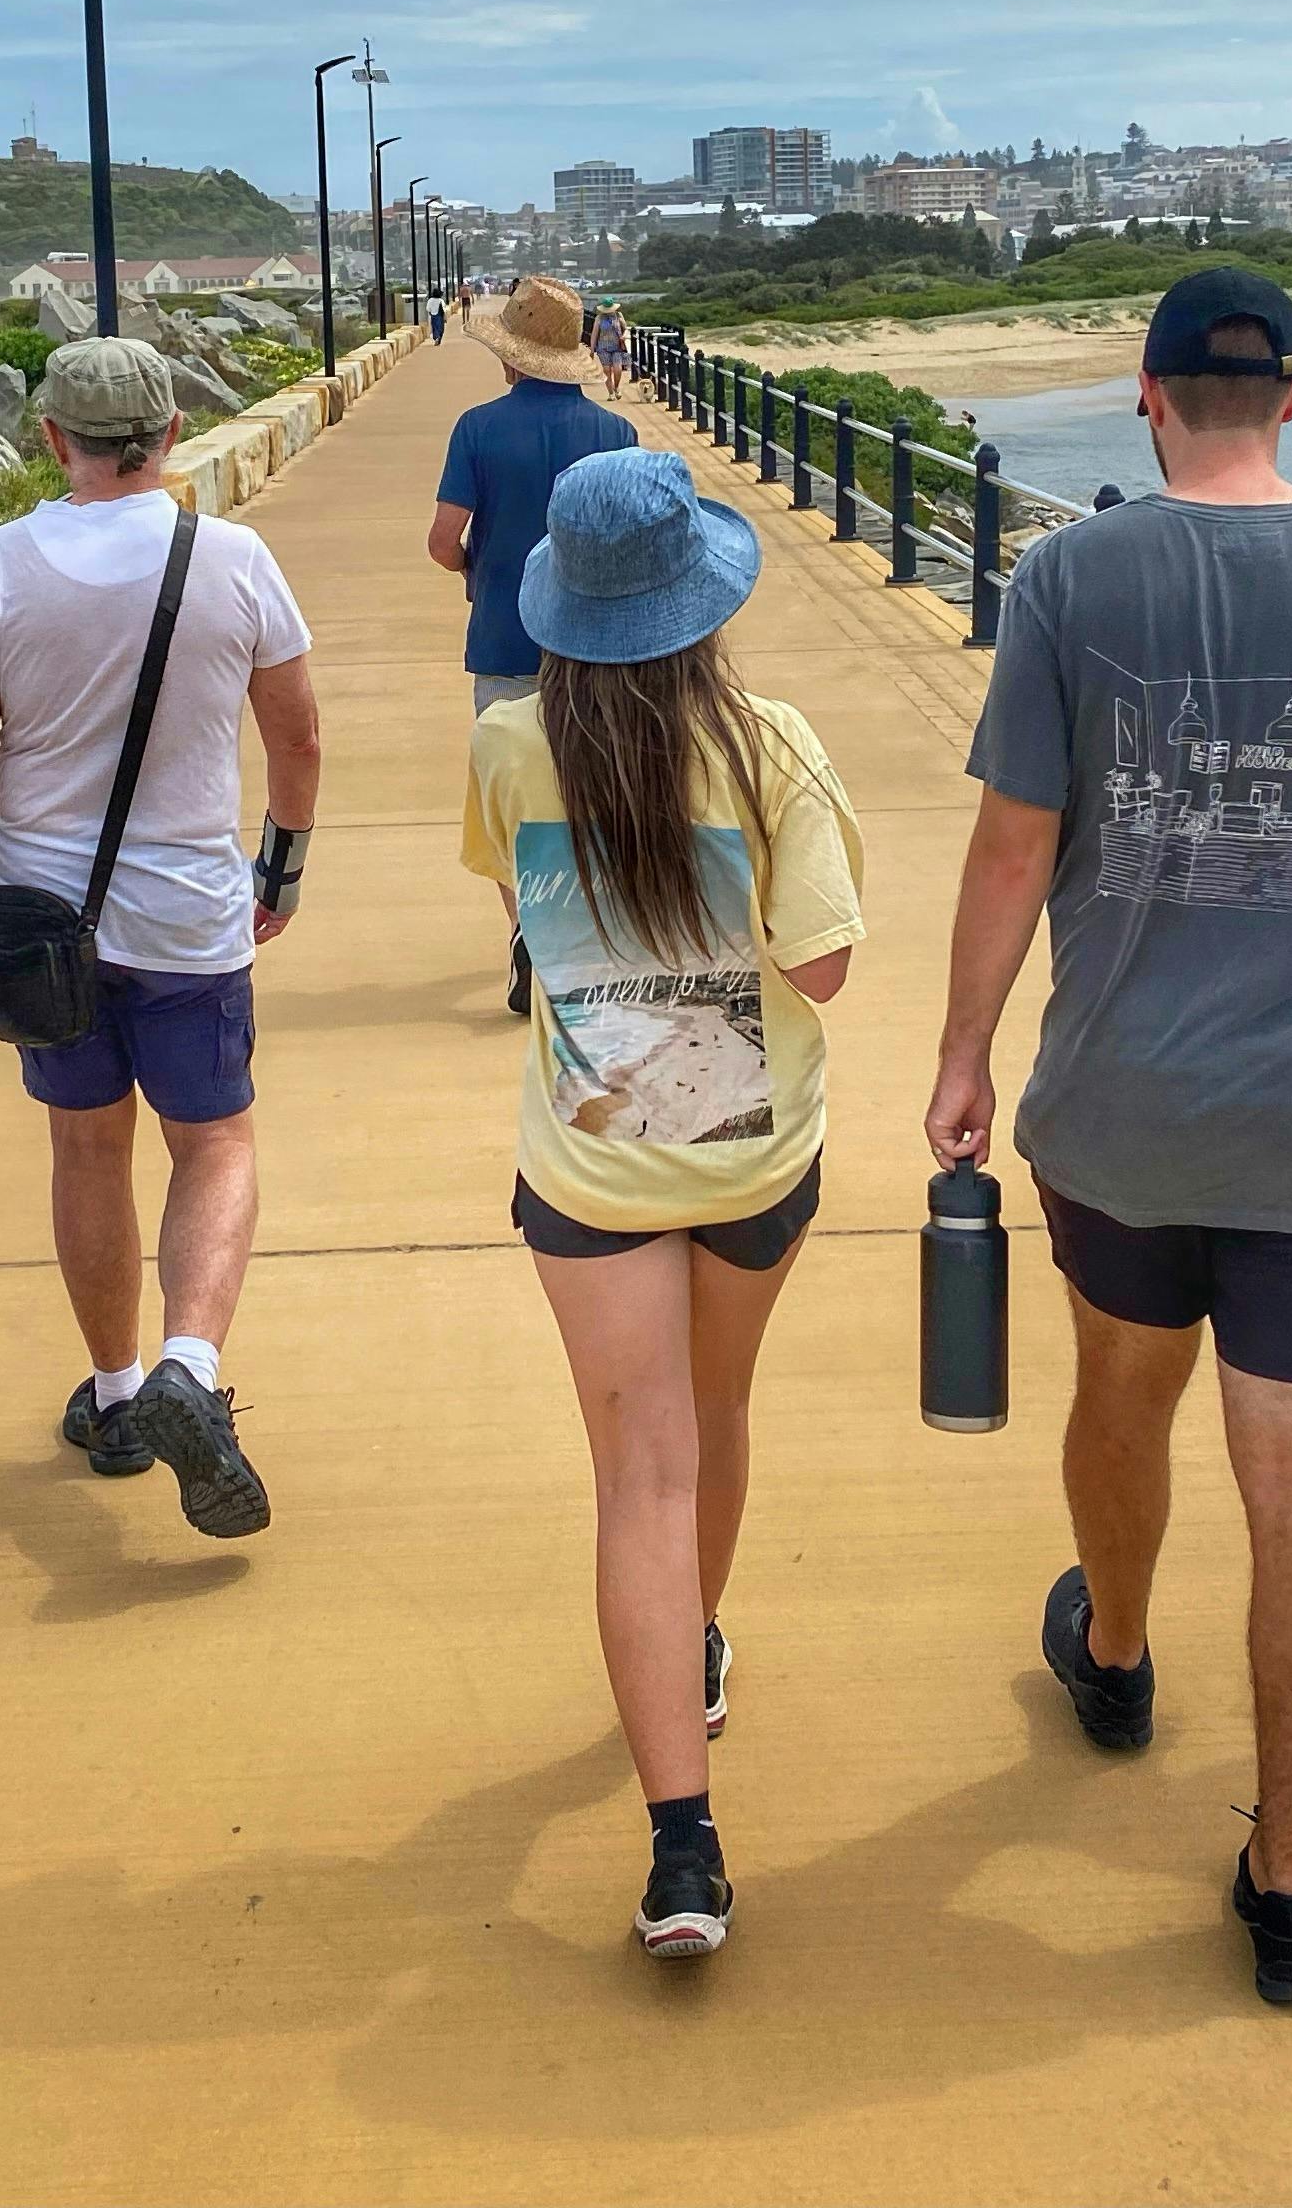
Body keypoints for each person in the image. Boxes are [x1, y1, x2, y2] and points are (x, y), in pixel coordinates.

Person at [926, 267, 1292, 2009]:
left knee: (1122, 1385)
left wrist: (961, 1045)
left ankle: (1111, 1650)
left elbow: (1011, 851)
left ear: (1146, 392)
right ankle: (1289, 1876)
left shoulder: (1066, 574)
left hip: (1115, 1105)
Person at [466, 450, 864, 1962]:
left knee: (639, 1470)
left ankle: (681, 1852)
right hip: (752, 1145)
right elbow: (821, 966)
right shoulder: (772, 747)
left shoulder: (511, 746)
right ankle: (693, 1642)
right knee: (717, 1410)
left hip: (592, 1147)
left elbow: (519, 903)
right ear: (702, 599)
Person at [0, 337, 325, 1538]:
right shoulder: (233, 559)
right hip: (192, 913)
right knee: (215, 1145)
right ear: (174, 427)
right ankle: (193, 1359)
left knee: (87, 1153)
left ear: (51, 439)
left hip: (45, 926)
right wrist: (280, 867)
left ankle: (121, 1394)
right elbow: (295, 739)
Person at [433, 276, 641, 1015]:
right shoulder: (617, 436)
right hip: (596, 643)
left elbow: (439, 543)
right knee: (592, 785)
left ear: (511, 355)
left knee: (509, 795)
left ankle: (529, 928)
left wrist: (476, 567)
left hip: (503, 635)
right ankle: (590, 927)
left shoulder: (478, 429)